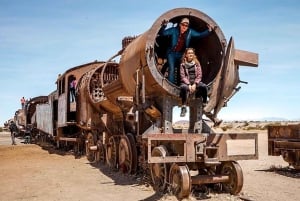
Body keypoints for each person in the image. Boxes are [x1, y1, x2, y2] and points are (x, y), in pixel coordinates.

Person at [159, 17, 213, 85]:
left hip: (181, 54)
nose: (184, 27)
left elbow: (199, 35)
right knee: (171, 69)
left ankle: (181, 85)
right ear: (179, 24)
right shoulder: (174, 30)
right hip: (171, 53)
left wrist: (209, 31)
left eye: (186, 25)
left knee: (182, 69)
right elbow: (163, 33)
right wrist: (164, 26)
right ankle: (171, 85)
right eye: (183, 24)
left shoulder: (190, 32)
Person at [179, 48, 208, 117]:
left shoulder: (197, 64)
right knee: (183, 88)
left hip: (195, 82)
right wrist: (188, 84)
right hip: (186, 82)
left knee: (204, 87)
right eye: (189, 53)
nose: (191, 54)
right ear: (186, 55)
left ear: (194, 55)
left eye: (192, 53)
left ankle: (204, 104)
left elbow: (199, 75)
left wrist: (195, 84)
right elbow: (182, 76)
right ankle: (183, 107)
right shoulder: (182, 65)